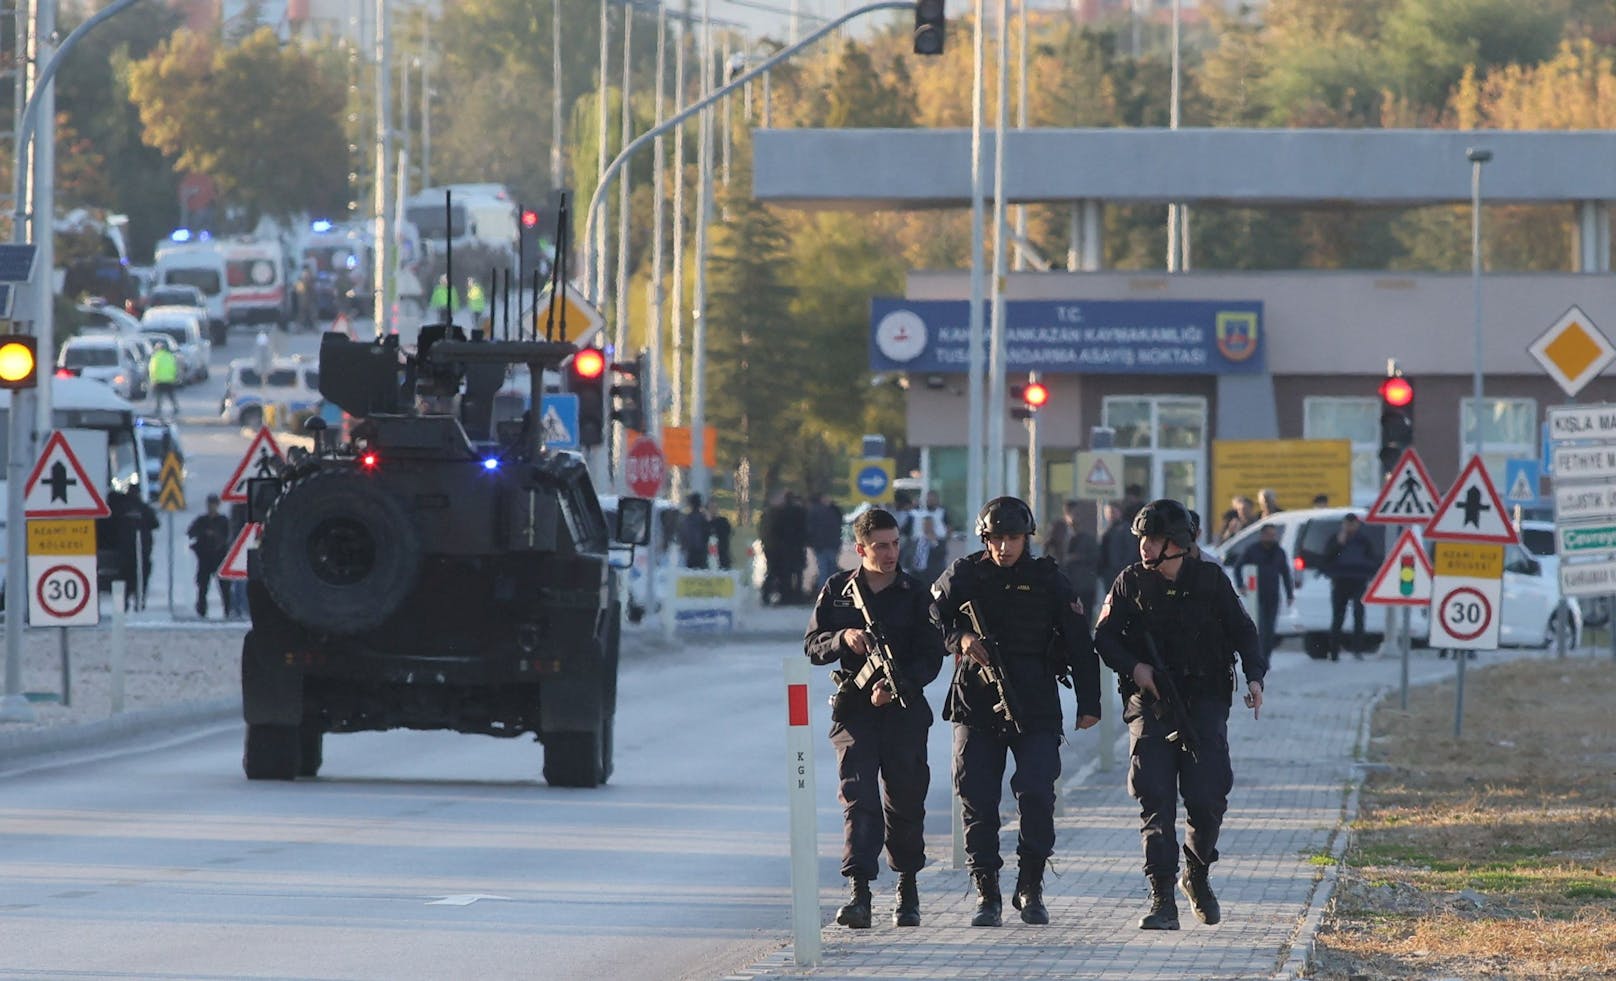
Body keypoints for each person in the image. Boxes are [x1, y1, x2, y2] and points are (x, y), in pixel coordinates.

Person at [1093, 498, 1266, 931]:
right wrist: (1136, 668)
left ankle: (1198, 873)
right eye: (1143, 540)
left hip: (1204, 702)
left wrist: (1255, 677)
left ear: (1178, 543)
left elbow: (1244, 631)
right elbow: (1104, 638)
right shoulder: (1130, 583)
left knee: (1208, 798)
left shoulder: (1210, 581)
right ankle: (1161, 897)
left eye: (1154, 540)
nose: (1145, 548)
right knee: (1154, 798)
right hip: (1150, 706)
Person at [930, 497, 1103, 927]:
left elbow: (1079, 641)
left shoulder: (1048, 578)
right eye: (996, 539)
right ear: (984, 538)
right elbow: (932, 615)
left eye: (1013, 539)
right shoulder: (966, 574)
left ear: (1027, 538)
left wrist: (1089, 703)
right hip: (977, 703)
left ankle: (1030, 887)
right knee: (977, 798)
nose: (1005, 547)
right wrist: (962, 638)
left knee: (1038, 795)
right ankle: (986, 892)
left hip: (1036, 704)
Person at [805, 508, 947, 929]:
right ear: (860, 548)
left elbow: (932, 656)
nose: (890, 553)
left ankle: (907, 889)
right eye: (881, 546)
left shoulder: (916, 592)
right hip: (855, 713)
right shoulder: (837, 591)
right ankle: (860, 893)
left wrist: (899, 685)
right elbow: (812, 645)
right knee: (858, 800)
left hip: (902, 712)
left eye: (895, 544)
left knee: (904, 800)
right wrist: (842, 638)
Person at [1323, 513, 1380, 661]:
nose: (1349, 527)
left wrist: (1368, 574)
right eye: (1347, 524)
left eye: (1352, 524)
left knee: (1358, 615)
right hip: (1340, 581)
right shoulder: (1336, 539)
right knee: (1338, 617)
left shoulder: (1363, 541)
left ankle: (1357, 650)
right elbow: (1327, 557)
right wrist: (1339, 544)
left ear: (1357, 525)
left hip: (1358, 581)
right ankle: (1334, 651)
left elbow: (1372, 559)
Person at [1235, 524, 1293, 662]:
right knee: (1259, 629)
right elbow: (1238, 566)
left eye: (1274, 535)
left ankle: (1266, 659)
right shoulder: (1252, 550)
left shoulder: (1279, 552)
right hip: (1257, 595)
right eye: (1269, 534)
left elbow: (1285, 573)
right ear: (1262, 535)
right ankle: (1258, 659)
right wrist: (1240, 585)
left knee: (1270, 630)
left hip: (1273, 595)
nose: (1272, 537)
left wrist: (1290, 594)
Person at [1044, 499, 1101, 616]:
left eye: (1078, 514)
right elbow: (1049, 553)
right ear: (1066, 514)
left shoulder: (1087, 536)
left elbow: (1095, 558)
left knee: (1085, 617)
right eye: (1073, 513)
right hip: (1065, 583)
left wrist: (1077, 558)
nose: (1076, 517)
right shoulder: (1058, 533)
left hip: (1084, 585)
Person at [187, 494, 233, 619]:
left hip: (220, 558)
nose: (211, 507)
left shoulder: (223, 521)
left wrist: (217, 537)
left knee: (225, 588)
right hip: (204, 559)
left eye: (213, 504)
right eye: (209, 504)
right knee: (202, 587)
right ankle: (201, 611)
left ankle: (228, 611)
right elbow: (191, 532)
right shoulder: (202, 520)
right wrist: (203, 534)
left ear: (217, 505)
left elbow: (229, 537)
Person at [808, 493, 843, 592]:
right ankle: (829, 591)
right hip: (829, 544)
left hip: (823, 545)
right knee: (829, 569)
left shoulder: (815, 511)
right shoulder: (833, 510)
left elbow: (811, 529)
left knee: (825, 569)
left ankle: (823, 592)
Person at [1099, 501, 1136, 590]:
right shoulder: (1107, 530)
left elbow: (1131, 551)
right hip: (1108, 573)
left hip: (1119, 571)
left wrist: (1122, 568)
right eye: (1108, 513)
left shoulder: (1125, 528)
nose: (1111, 515)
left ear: (1120, 512)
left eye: (1113, 512)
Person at [147, 340, 181, 419]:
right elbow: (174, 367)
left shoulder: (155, 357)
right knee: (171, 395)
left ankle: (158, 409)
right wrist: (174, 377)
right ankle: (175, 407)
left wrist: (152, 379)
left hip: (158, 380)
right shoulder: (170, 356)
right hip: (169, 379)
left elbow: (152, 369)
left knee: (159, 396)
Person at [677, 492, 709, 569]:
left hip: (690, 553)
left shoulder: (687, 519)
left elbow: (683, 536)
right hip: (701, 553)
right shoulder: (703, 519)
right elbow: (707, 535)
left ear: (691, 504)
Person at [705, 502, 733, 570]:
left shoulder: (723, 521)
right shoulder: (705, 524)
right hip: (709, 559)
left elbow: (728, 534)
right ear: (707, 510)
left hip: (723, 557)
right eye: (711, 508)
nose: (713, 510)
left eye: (715, 507)